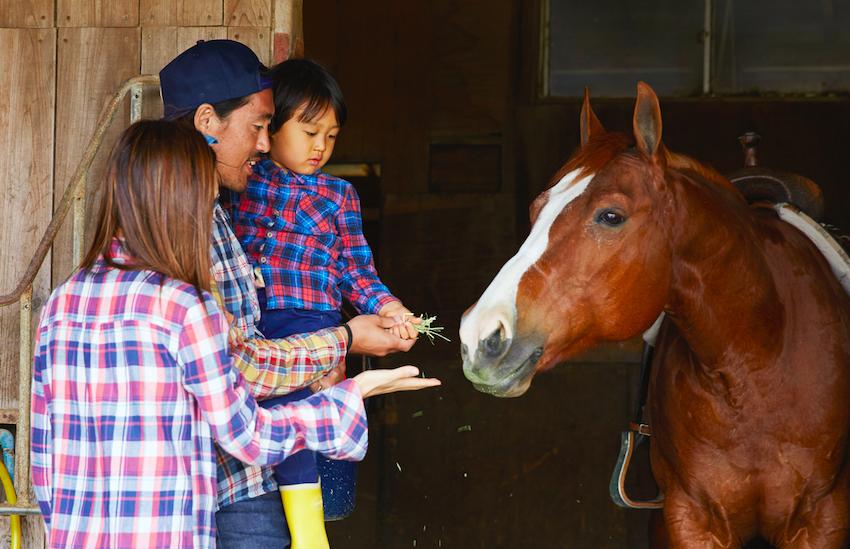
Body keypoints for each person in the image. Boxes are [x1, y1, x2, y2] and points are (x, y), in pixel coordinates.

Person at [29, 120, 441, 549]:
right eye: (207, 204)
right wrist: (351, 394)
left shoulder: (63, 302)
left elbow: (44, 464)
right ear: (181, 203)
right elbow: (248, 435)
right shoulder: (184, 306)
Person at [157, 40, 421, 548]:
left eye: (331, 136)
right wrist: (346, 340)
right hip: (253, 358)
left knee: (307, 419)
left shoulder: (332, 196)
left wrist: (386, 308)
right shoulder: (224, 197)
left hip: (306, 336)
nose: (320, 147)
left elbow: (356, 269)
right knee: (291, 417)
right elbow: (240, 358)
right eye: (263, 127)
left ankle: (311, 526)